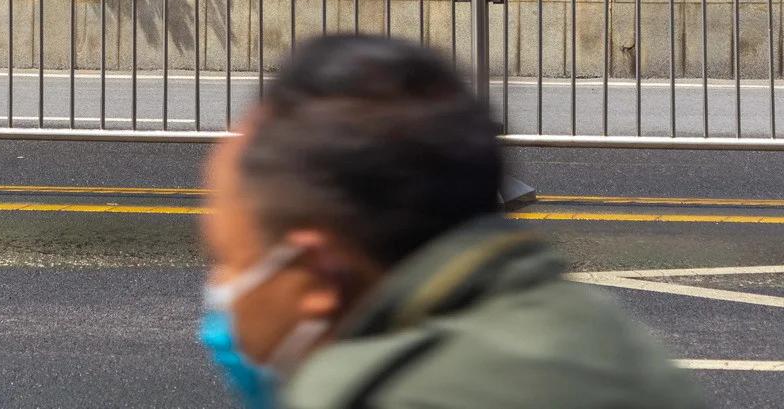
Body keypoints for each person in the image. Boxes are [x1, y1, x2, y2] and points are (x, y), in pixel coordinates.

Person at [199, 35, 701, 408]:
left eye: (224, 261)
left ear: (313, 274)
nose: (220, 292)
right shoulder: (602, 335)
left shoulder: (364, 393)